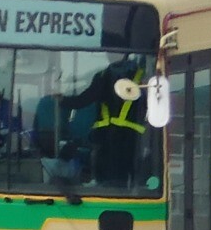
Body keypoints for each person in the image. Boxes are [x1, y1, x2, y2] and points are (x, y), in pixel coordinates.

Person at [62, 56, 147, 189]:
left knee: (108, 181)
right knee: (126, 178)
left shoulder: (103, 76)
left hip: (108, 137)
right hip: (133, 138)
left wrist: (61, 100)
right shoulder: (144, 76)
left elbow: (83, 100)